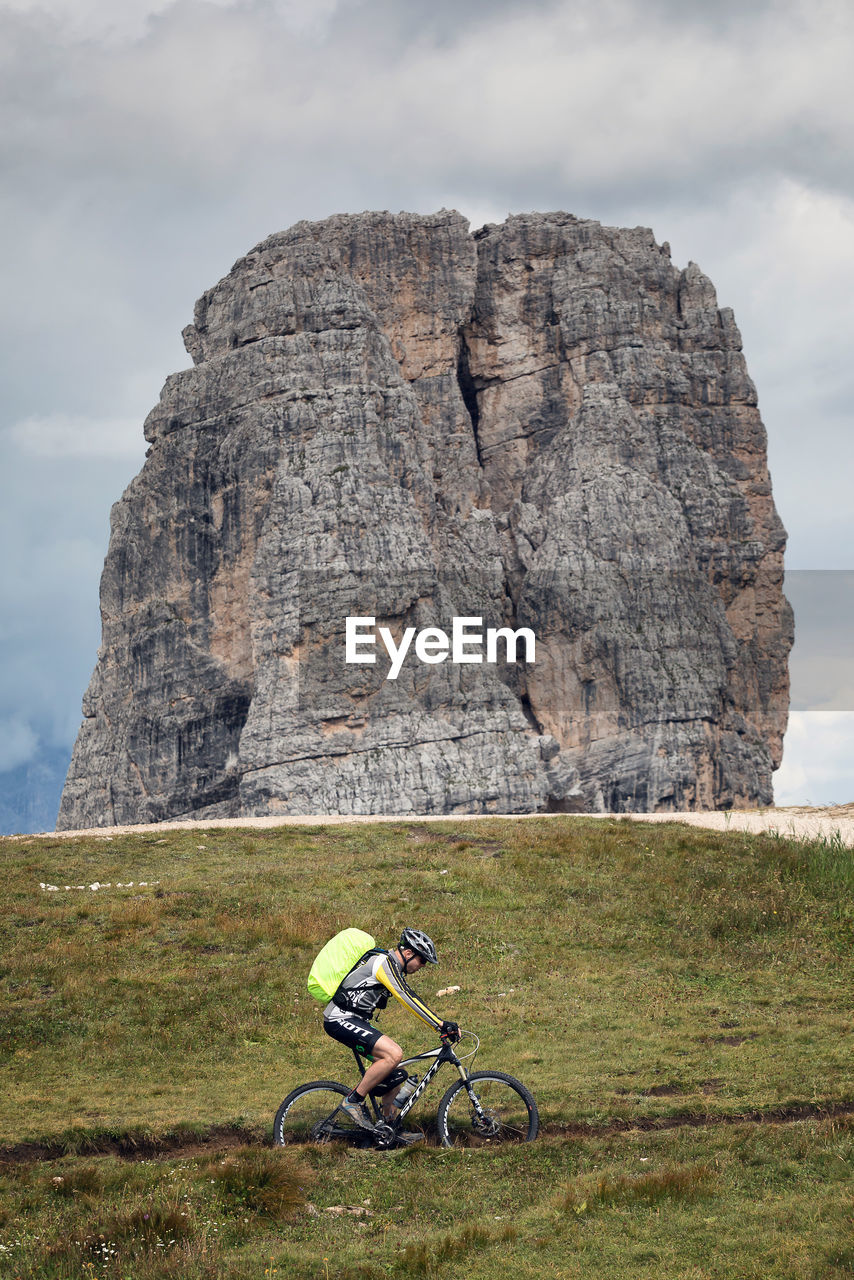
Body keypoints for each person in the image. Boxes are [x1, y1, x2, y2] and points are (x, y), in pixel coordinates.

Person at [323, 927, 460, 1131]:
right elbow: (406, 996)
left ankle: (388, 1127)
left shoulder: (390, 965)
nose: (422, 966)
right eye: (422, 960)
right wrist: (439, 1024)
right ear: (408, 953)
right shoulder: (383, 963)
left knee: (397, 1073)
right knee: (394, 1054)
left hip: (354, 1019)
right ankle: (353, 1101)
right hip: (340, 1018)